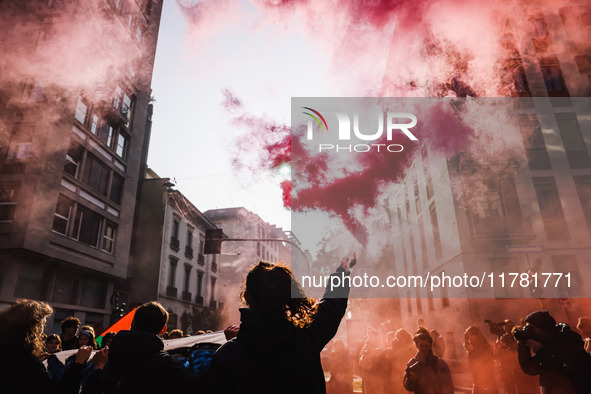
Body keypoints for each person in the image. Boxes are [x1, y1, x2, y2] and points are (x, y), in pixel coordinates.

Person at [206, 252, 355, 394]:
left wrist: (237, 344)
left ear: (247, 296)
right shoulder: (305, 339)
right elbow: (331, 305)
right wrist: (343, 270)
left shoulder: (228, 355)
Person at [82, 301, 203, 394]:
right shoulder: (168, 366)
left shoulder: (106, 360)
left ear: (133, 324)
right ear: (163, 330)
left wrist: (98, 369)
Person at [0, 299, 92, 394]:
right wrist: (78, 363)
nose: (42, 331)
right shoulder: (26, 360)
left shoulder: (9, 352)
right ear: (33, 327)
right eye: (42, 324)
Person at [516, 310, 591, 394]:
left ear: (543, 328)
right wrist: (523, 346)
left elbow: (566, 370)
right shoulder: (546, 346)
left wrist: (541, 351)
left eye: (531, 328)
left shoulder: (567, 342)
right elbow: (530, 368)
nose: (528, 331)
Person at [403, 328, 454, 394]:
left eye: (426, 346)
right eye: (421, 346)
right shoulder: (412, 363)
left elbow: (448, 386)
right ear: (417, 346)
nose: (424, 348)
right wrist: (410, 380)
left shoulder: (440, 363)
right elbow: (408, 387)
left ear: (430, 346)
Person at [464, 326, 498, 394]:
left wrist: (472, 352)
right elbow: (472, 367)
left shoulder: (486, 347)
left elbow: (483, 364)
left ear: (477, 336)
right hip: (477, 383)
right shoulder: (473, 349)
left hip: (488, 383)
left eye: (471, 335)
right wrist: (470, 352)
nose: (470, 339)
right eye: (468, 336)